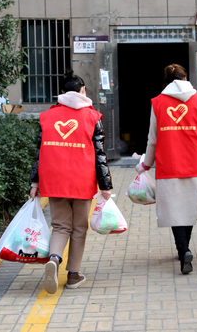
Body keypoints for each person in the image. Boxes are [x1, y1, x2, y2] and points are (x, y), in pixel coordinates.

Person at [135, 64, 197, 274]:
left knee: (175, 210)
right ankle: (184, 248)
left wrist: (145, 165)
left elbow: (153, 139)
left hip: (169, 164)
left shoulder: (158, 103)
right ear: (185, 77)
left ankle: (183, 249)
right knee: (189, 208)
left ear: (165, 81)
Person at [30, 70, 113, 294]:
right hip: (82, 181)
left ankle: (54, 260)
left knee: (59, 226)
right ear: (83, 91)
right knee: (78, 228)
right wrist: (105, 185)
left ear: (62, 92)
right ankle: (73, 275)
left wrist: (35, 183)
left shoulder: (47, 116)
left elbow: (39, 152)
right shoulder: (92, 116)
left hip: (54, 180)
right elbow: (100, 154)